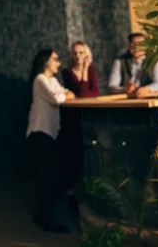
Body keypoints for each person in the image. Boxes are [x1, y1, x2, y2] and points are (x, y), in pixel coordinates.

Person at [25, 49, 76, 234]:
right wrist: (65, 95)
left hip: (49, 135)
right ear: (45, 61)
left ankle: (43, 216)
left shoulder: (52, 80)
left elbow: (68, 94)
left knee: (51, 177)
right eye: (55, 59)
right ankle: (46, 219)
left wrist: (65, 95)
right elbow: (58, 98)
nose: (59, 63)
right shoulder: (40, 80)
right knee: (47, 178)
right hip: (39, 134)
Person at [59, 41, 99, 206]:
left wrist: (86, 69)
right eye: (75, 53)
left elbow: (95, 92)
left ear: (86, 54)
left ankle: (91, 188)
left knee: (91, 152)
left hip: (89, 116)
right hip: (72, 118)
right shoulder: (67, 72)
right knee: (74, 153)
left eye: (81, 53)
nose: (78, 56)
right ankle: (72, 191)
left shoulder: (91, 69)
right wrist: (83, 71)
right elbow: (83, 92)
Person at [108, 32, 158, 98]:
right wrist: (125, 89)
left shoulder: (155, 60)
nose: (136, 48)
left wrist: (147, 89)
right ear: (129, 46)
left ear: (146, 46)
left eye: (140, 44)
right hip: (125, 100)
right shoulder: (120, 61)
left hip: (148, 98)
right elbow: (112, 86)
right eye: (133, 44)